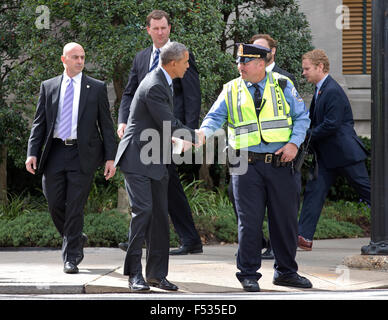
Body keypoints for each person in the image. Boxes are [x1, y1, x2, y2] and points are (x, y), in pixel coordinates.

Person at [198, 43, 312, 292]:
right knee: (248, 222)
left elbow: (302, 117)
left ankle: (286, 272)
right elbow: (214, 117)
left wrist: (294, 144)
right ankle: (248, 273)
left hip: (281, 162)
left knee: (285, 221)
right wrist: (202, 134)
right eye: (239, 62)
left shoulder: (282, 84)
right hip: (244, 164)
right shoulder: (231, 88)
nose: (240, 67)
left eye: (245, 62)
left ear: (261, 64)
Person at [114, 41, 203, 292]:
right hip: (136, 158)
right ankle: (134, 274)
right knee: (143, 213)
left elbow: (158, 123)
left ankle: (156, 275)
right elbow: (168, 121)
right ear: (173, 63)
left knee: (160, 219)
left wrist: (177, 139)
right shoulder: (154, 84)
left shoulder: (165, 80)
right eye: (186, 62)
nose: (188, 66)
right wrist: (194, 135)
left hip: (156, 157)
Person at [25, 42, 117, 274]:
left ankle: (71, 258)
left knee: (75, 206)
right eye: (75, 57)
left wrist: (110, 158)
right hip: (54, 152)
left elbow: (106, 125)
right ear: (63, 60)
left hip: (82, 154)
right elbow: (39, 123)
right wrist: (32, 152)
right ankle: (75, 236)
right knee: (54, 202)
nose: (80, 61)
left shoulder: (95, 87)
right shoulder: (49, 86)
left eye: (82, 57)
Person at [298, 49, 371, 251]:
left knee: (368, 192)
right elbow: (316, 120)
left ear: (320, 67)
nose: (304, 73)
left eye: (307, 69)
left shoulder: (332, 90)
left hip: (345, 154)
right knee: (313, 193)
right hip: (327, 157)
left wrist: (306, 135)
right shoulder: (321, 89)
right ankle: (303, 237)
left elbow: (331, 124)